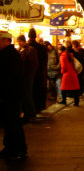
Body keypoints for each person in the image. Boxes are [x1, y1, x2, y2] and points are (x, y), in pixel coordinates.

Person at [0, 31, 28, 160]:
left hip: (11, 94)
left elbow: (9, 76)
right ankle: (10, 147)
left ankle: (19, 149)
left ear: (6, 41)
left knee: (12, 122)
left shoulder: (10, 55)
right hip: (11, 93)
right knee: (9, 122)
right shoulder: (9, 54)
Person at [16, 35, 39, 123]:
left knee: (28, 95)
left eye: (19, 41)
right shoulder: (19, 50)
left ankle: (31, 114)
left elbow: (34, 64)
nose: (18, 43)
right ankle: (24, 114)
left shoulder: (30, 50)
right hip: (21, 76)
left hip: (28, 77)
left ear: (23, 41)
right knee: (23, 96)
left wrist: (30, 74)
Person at [27, 28, 48, 113]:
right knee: (39, 89)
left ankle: (32, 110)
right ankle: (39, 107)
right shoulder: (41, 47)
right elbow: (45, 60)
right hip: (41, 72)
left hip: (31, 73)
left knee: (31, 91)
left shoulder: (28, 47)